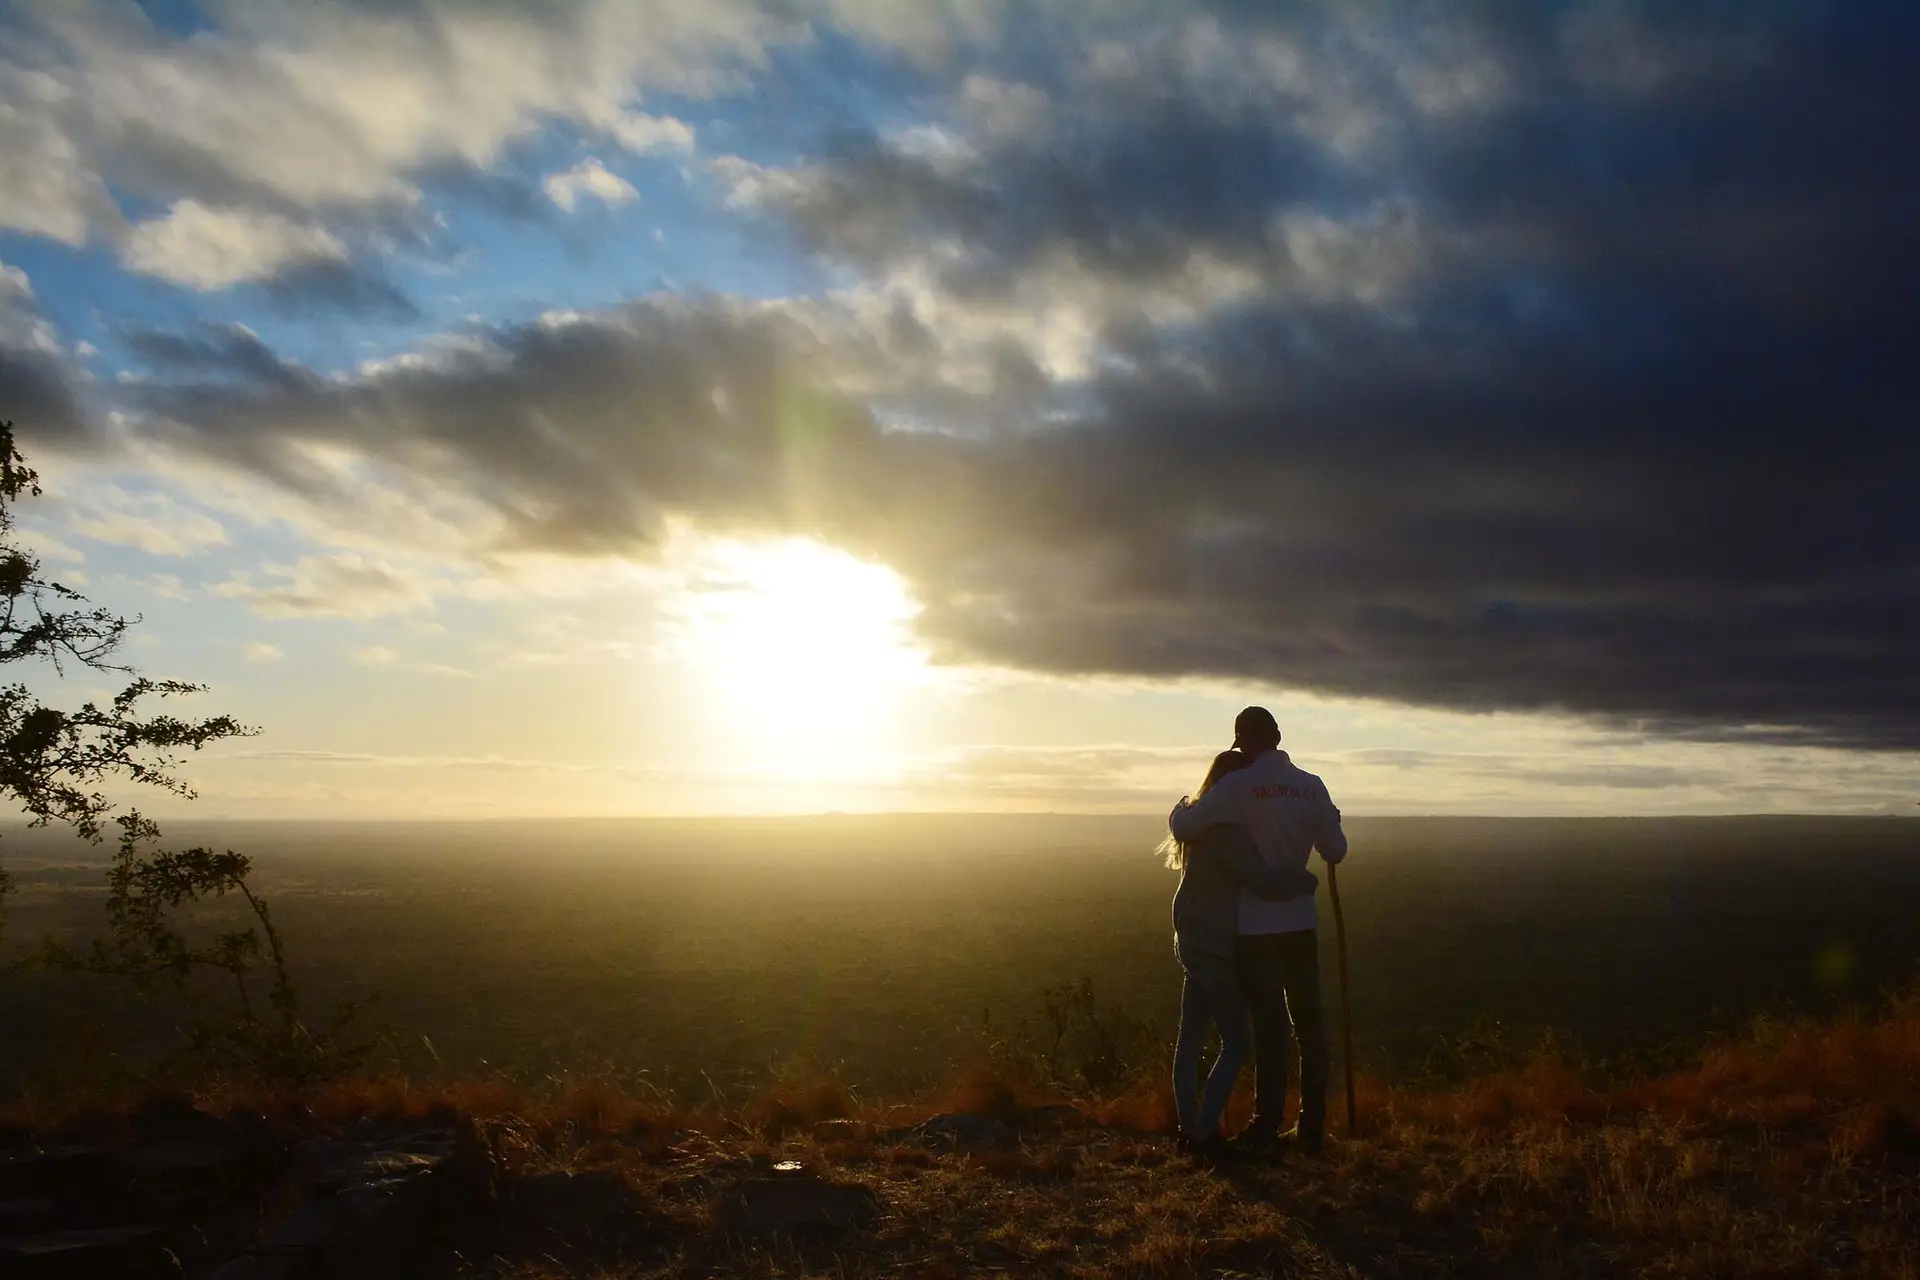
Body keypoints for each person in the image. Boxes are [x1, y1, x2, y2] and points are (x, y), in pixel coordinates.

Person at [1168, 706, 1347, 1157]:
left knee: (1269, 1030)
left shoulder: (1238, 785)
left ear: (1242, 741)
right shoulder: (1312, 786)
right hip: (1301, 922)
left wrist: (1182, 805)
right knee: (1310, 1024)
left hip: (1254, 927)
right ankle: (1311, 1127)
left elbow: (1184, 826)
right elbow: (1336, 851)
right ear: (1279, 736)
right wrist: (1329, 823)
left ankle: (1264, 1125)